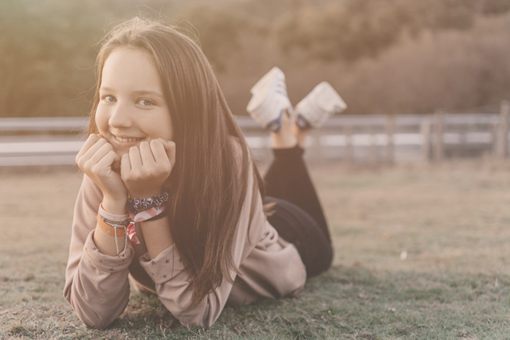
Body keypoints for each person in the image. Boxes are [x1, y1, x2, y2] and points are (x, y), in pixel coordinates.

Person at [63, 17, 333, 330]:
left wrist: (147, 200)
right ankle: (289, 128)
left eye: (145, 101)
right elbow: (93, 313)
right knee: (262, 201)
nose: (118, 120)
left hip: (289, 234)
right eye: (109, 97)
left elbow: (196, 312)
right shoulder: (107, 165)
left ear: (187, 109)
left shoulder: (226, 160)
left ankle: (286, 137)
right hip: (249, 214)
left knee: (314, 237)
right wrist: (112, 201)